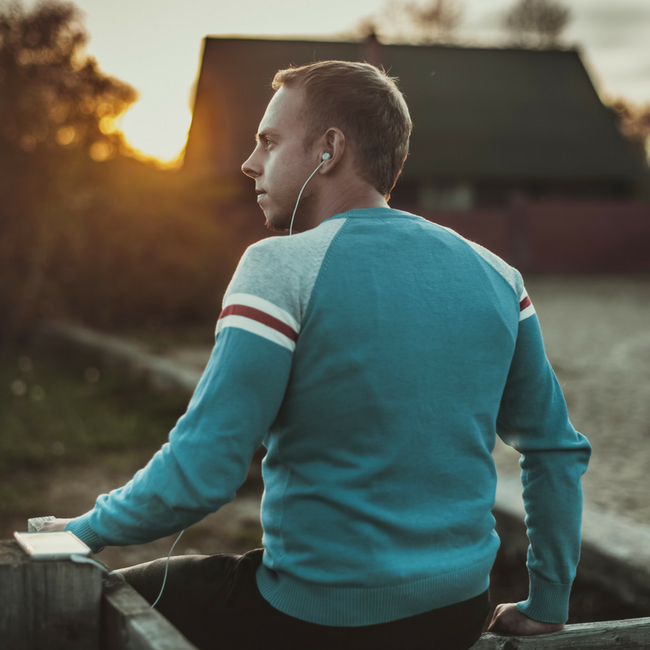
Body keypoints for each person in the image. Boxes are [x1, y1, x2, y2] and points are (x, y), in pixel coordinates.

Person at [40, 60, 591, 649]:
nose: (250, 163)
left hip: (316, 620)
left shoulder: (279, 266)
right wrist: (549, 600)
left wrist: (77, 533)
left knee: (84, 611)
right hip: (455, 613)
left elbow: (204, 469)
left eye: (269, 141)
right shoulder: (498, 276)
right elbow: (554, 447)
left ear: (328, 149)